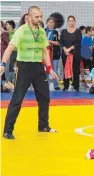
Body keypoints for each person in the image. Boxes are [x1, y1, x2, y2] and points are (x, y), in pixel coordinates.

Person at [0, 6, 59, 139]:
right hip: (24, 67)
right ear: (30, 17)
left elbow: (44, 51)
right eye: (36, 16)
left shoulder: (42, 32)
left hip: (38, 67)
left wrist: (49, 68)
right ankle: (7, 130)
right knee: (17, 99)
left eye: (40, 16)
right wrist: (3, 64)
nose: (39, 19)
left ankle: (43, 125)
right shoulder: (21, 30)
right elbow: (10, 47)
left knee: (44, 97)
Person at [60, 15, 82, 91]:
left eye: (73, 21)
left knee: (75, 70)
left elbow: (78, 42)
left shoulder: (78, 31)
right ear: (67, 22)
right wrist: (65, 49)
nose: (71, 22)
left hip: (75, 53)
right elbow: (61, 42)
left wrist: (69, 49)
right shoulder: (63, 31)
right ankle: (66, 86)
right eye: (70, 21)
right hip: (65, 53)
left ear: (74, 22)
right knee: (65, 69)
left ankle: (76, 86)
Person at [45, 17, 61, 90]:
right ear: (47, 23)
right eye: (49, 22)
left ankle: (56, 85)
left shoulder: (56, 32)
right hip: (45, 54)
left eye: (52, 22)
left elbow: (58, 43)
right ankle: (46, 84)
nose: (51, 24)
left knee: (54, 69)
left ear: (54, 24)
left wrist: (49, 41)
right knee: (46, 70)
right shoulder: (43, 31)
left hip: (54, 54)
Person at [5, 20, 17, 87]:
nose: (6, 26)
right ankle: (10, 84)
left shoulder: (15, 32)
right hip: (8, 52)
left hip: (15, 51)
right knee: (9, 68)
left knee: (13, 67)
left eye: (7, 24)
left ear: (11, 25)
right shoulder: (6, 33)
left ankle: (14, 83)